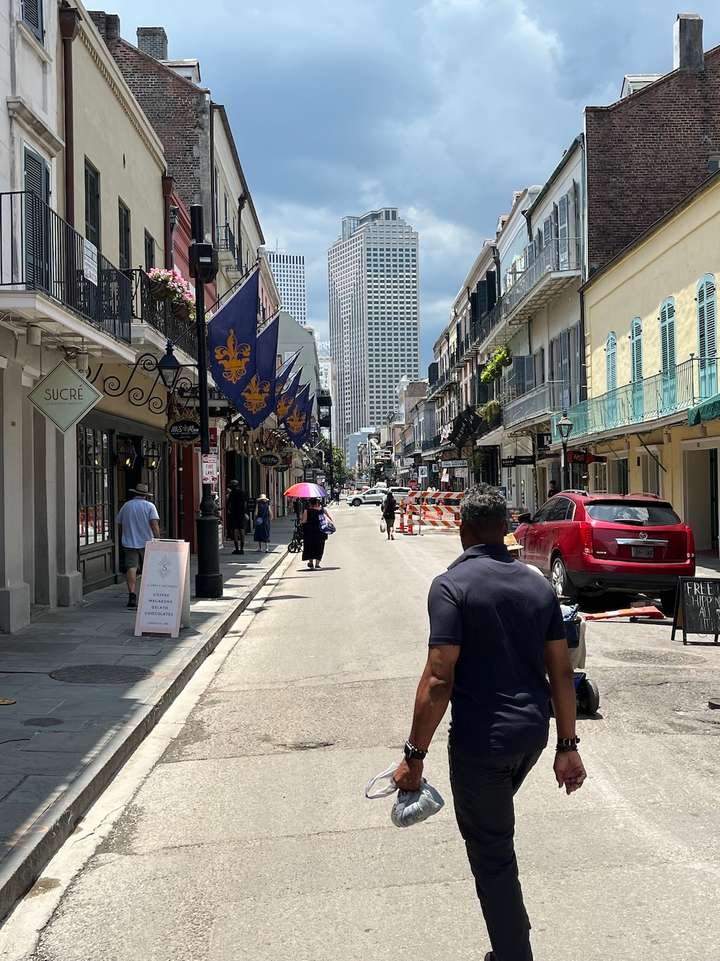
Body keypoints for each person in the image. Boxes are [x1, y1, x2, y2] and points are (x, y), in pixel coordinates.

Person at [393, 484, 586, 961]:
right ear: (506, 530)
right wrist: (567, 746)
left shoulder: (450, 586)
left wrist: (414, 756)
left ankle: (513, 953)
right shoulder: (538, 586)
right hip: (531, 737)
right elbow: (562, 672)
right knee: (494, 833)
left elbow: (439, 678)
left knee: (492, 854)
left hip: (482, 744)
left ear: (462, 530)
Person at [116, 483, 160, 609]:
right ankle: (149, 594)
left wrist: (125, 534)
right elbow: (154, 524)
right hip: (147, 542)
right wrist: (158, 539)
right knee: (149, 568)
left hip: (129, 542)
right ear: (145, 495)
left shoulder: (126, 506)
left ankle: (132, 595)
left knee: (131, 567)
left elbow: (119, 522)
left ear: (135, 493)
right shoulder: (149, 506)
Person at [301, 496, 334, 570]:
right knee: (320, 547)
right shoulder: (322, 510)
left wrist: (301, 520)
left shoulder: (307, 511)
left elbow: (304, 521)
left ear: (310, 503)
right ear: (317, 503)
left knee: (310, 547)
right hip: (321, 531)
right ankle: (317, 564)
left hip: (309, 532)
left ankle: (311, 563)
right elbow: (329, 519)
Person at [226, 480, 248, 555]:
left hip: (234, 513)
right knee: (242, 530)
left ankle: (237, 549)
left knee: (235, 530)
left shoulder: (232, 493)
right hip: (241, 513)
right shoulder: (242, 492)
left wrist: (229, 510)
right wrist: (244, 511)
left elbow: (229, 504)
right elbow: (245, 503)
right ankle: (242, 549)